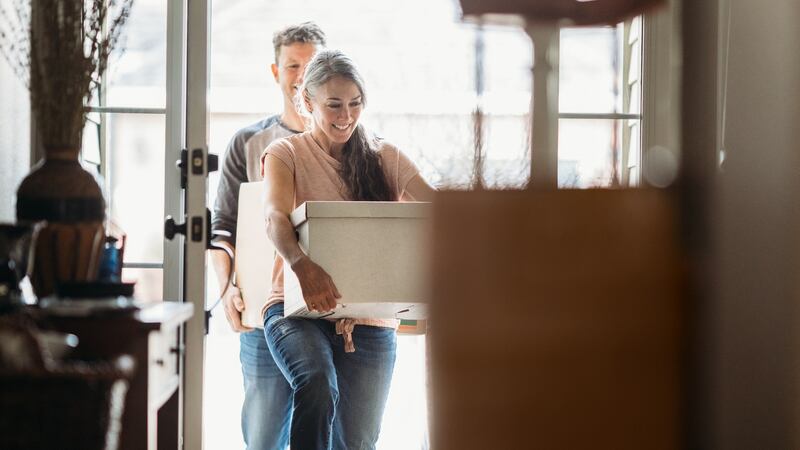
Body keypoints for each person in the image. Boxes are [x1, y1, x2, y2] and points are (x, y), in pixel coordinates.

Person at [260, 49, 436, 450]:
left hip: (369, 320)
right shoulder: (286, 154)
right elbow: (274, 217)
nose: (346, 116)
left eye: (355, 104)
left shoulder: (384, 156)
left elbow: (439, 210)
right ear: (308, 102)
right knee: (317, 383)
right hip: (295, 310)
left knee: (356, 442)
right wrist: (302, 265)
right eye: (334, 105)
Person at [210, 22, 326, 450]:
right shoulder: (247, 143)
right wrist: (226, 292)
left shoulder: (347, 144)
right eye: (292, 65)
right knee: (263, 434)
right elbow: (222, 228)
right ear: (276, 72)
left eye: (311, 64)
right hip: (263, 312)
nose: (301, 74)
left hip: (329, 313)